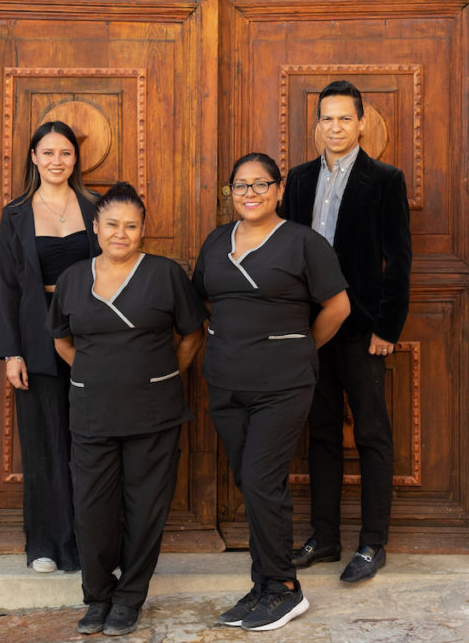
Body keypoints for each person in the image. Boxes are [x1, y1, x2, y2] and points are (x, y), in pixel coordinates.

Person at [193, 153, 350, 632]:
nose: (250, 193)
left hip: (282, 384)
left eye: (261, 184)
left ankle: (284, 587)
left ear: (279, 190)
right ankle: (264, 582)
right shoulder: (217, 240)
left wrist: (297, 347)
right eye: (240, 185)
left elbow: (338, 307)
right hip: (225, 381)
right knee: (251, 480)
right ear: (230, 193)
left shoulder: (304, 243)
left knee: (262, 479)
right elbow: (205, 299)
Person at [47, 182, 206, 637]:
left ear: (142, 231)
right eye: (112, 224)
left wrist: (160, 376)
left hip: (153, 412)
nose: (121, 233)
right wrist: (97, 375)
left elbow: (192, 334)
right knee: (92, 509)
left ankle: (128, 599)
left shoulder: (165, 274)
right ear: (96, 228)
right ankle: (97, 596)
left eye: (131, 226)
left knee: (145, 508)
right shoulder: (74, 278)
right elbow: (61, 340)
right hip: (92, 412)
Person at [281, 80, 412, 583]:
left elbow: (398, 258)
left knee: (372, 432)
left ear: (361, 123)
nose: (334, 127)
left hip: (361, 328)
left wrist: (387, 326)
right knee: (321, 433)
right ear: (317, 124)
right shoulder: (298, 180)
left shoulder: (385, 179)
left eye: (344, 118)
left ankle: (373, 542)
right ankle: (325, 537)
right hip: (312, 328)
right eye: (326, 118)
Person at [0, 120, 100, 573]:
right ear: (34, 158)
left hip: (90, 335)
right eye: (48, 152)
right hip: (36, 336)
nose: (57, 160)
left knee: (92, 442)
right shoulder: (15, 213)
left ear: (76, 159)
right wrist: (12, 352)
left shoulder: (96, 207)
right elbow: (7, 286)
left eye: (66, 152)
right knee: (43, 441)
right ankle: (45, 545)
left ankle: (91, 545)